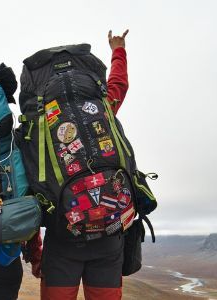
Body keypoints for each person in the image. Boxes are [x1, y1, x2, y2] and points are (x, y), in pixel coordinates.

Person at [25, 29, 132, 300]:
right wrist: (118, 50)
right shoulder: (100, 109)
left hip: (62, 242)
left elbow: (30, 189)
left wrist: (35, 252)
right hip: (110, 238)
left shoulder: (38, 127)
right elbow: (118, 85)